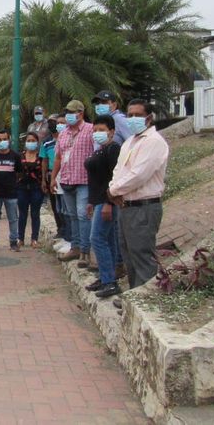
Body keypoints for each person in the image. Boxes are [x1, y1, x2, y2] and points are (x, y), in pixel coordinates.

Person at [107, 99, 170, 289]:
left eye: (138, 115)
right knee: (129, 255)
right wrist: (113, 187)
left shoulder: (154, 142)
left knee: (142, 255)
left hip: (144, 207)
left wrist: (113, 190)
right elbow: (119, 170)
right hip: (126, 206)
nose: (133, 118)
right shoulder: (129, 142)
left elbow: (139, 174)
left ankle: (145, 296)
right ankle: (134, 294)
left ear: (148, 118)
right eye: (130, 115)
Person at [83, 115, 122, 298]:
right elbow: (96, 179)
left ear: (111, 132)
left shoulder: (113, 149)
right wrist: (91, 201)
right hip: (98, 200)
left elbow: (114, 177)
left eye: (102, 130)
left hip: (107, 201)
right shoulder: (100, 150)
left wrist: (108, 202)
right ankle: (107, 277)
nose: (97, 133)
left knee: (97, 238)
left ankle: (109, 281)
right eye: (95, 130)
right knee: (109, 239)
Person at [51, 100, 94, 264]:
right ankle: (75, 247)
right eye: (67, 112)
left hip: (84, 180)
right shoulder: (63, 134)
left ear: (80, 113)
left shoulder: (90, 130)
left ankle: (85, 251)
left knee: (83, 215)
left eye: (71, 112)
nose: (68, 115)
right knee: (72, 215)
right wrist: (53, 177)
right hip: (66, 180)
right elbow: (58, 157)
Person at [0, 130, 22, 251]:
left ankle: (13, 242)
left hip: (11, 193)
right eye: (0, 139)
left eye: (5, 139)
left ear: (9, 139)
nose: (2, 142)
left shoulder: (15, 156)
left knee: (13, 219)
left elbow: (19, 173)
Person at [41, 117, 68, 247]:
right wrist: (43, 179)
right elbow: (44, 160)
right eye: (57, 123)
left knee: (66, 206)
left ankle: (68, 233)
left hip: (67, 175)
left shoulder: (69, 139)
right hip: (52, 175)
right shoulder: (46, 143)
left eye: (62, 123)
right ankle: (60, 230)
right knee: (56, 206)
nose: (58, 125)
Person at [18, 132, 44, 249]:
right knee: (22, 214)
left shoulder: (41, 156)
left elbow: (43, 171)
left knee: (35, 214)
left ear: (37, 142)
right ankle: (20, 238)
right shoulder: (20, 156)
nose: (31, 143)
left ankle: (34, 239)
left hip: (36, 188)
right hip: (22, 188)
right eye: (29, 141)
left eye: (33, 141)